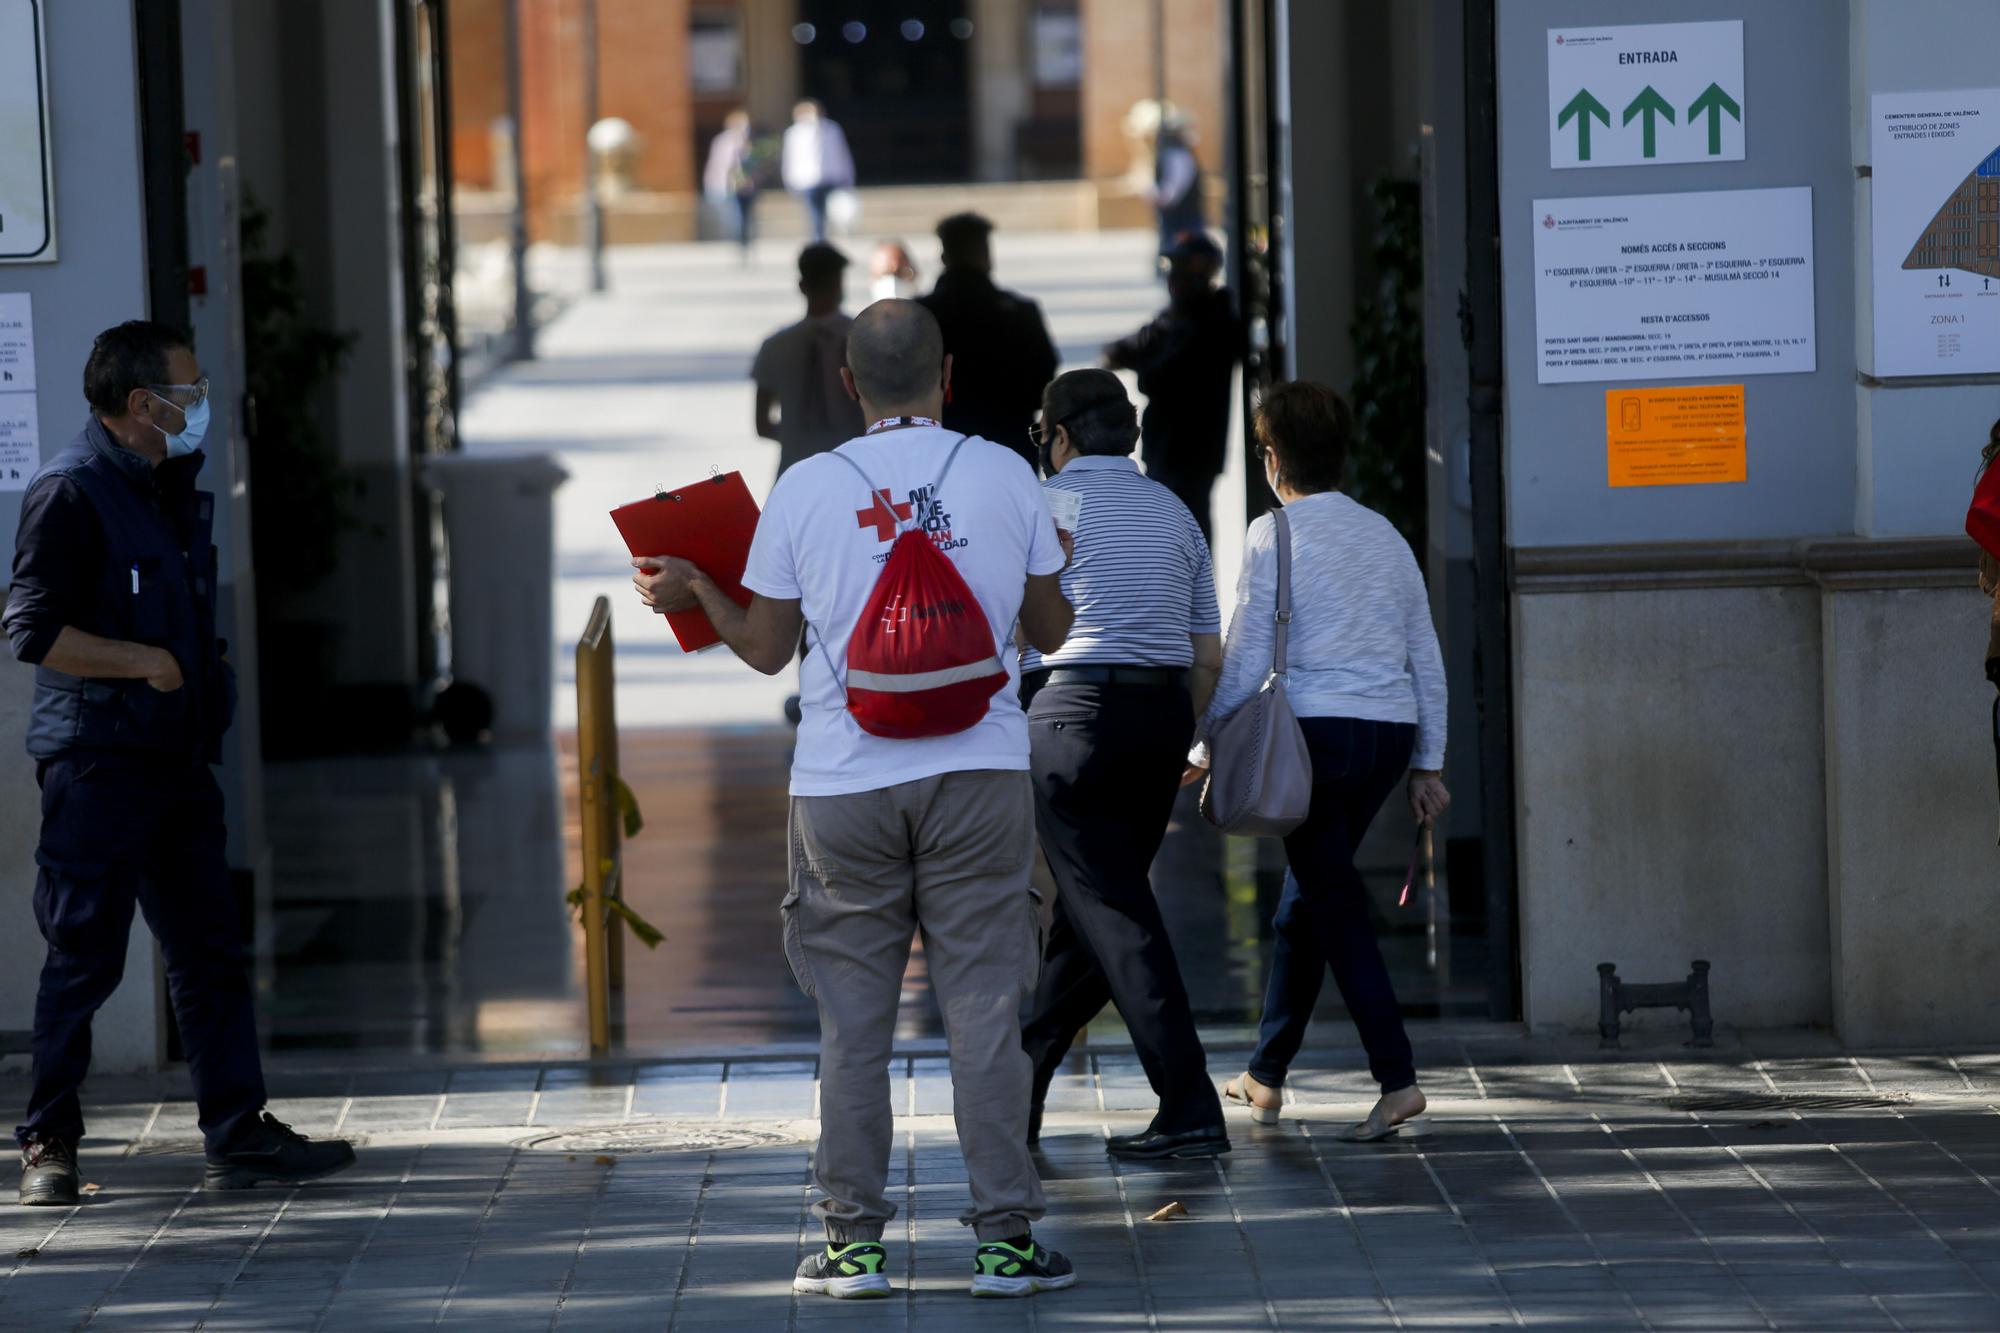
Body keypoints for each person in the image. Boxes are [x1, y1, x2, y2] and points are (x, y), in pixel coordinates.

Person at [631, 300, 1079, 1300]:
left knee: (854, 1023)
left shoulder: (806, 488)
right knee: (981, 1010)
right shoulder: (1005, 473)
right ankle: (1004, 1242)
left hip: (842, 786)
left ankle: (851, 1247)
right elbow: (1050, 628)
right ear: (947, 376)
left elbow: (763, 651)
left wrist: (696, 588)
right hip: (979, 775)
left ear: (847, 382)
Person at [8, 322, 356, 1207]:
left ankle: (238, 1133)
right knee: (83, 956)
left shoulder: (167, 483)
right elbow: (32, 631)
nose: (199, 408)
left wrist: (206, 674)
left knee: (207, 951)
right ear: (140, 404)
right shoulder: (70, 490)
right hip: (98, 765)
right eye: (187, 394)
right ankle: (48, 1141)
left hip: (175, 759)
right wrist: (147, 663)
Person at [1187, 380, 1449, 1144]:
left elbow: (1244, 657)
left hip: (1313, 741)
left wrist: (1205, 743)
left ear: (1271, 459)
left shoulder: (1275, 534)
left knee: (1330, 901)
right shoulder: (1386, 536)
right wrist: (1427, 763)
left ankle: (1396, 1079)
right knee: (1306, 898)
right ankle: (1266, 1075)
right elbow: (1423, 655)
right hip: (1385, 738)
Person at [1017, 369, 1229, 1160]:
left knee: (1113, 911)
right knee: (1094, 914)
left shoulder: (1044, 507)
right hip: (1161, 715)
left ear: (1060, 436)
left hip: (1069, 715)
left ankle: (1190, 1100)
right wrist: (1186, 733)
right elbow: (1206, 650)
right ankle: (1019, 1094)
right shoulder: (1174, 510)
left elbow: (1015, 631)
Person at [1103, 233, 1244, 542]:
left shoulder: (1213, 321)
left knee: (1187, 531)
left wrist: (1140, 365)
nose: (1174, 276)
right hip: (1165, 447)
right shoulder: (1179, 315)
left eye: (1184, 266)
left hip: (1193, 451)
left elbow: (1158, 377)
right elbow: (1138, 342)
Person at [919, 213, 1058, 471]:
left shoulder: (920, 315)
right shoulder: (1019, 312)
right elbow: (1045, 380)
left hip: (939, 447)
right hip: (1010, 443)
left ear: (944, 257)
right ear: (986, 254)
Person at [753, 243, 864, 477]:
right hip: (855, 466)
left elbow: (762, 424)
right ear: (840, 285)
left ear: (802, 286)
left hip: (797, 467)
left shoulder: (775, 345)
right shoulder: (865, 338)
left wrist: (799, 437)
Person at [782, 99, 855, 244]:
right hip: (806, 179)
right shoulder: (794, 132)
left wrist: (847, 176)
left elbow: (842, 153)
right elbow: (790, 158)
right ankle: (818, 238)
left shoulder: (832, 129)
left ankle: (822, 237)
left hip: (830, 177)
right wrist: (789, 179)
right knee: (814, 211)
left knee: (831, 210)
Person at [703, 109, 764, 260]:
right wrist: (712, 183)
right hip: (730, 186)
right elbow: (718, 164)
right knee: (735, 217)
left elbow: (757, 164)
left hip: (749, 186)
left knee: (747, 217)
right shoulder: (723, 141)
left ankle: (746, 243)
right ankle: (739, 243)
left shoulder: (751, 141)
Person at [1150, 120, 1206, 264]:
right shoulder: (1176, 154)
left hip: (1182, 208)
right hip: (1180, 209)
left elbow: (1176, 183)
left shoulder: (1177, 155)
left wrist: (1164, 198)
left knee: (1183, 242)